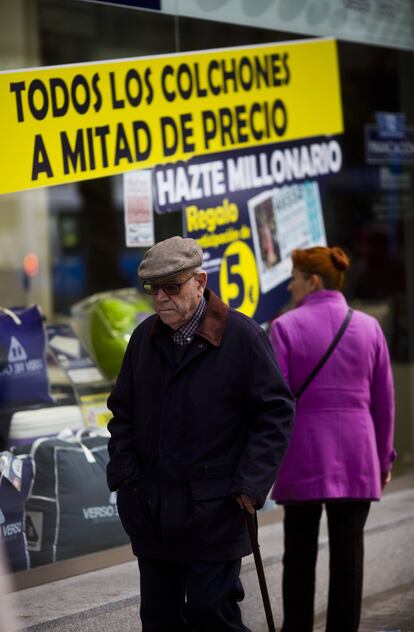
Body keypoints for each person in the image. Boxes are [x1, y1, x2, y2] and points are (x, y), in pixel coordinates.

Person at [106, 236, 295, 632]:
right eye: (152, 288)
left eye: (171, 286)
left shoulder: (241, 337)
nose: (160, 297)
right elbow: (122, 412)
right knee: (159, 620)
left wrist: (251, 484)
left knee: (214, 615)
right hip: (152, 508)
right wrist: (126, 476)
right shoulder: (144, 339)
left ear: (200, 282)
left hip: (215, 508)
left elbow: (275, 413)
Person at [269, 246, 396, 632]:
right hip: (357, 453)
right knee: (349, 556)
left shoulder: (285, 327)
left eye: (293, 278)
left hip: (303, 452)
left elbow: (276, 399)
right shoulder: (369, 326)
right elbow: (384, 400)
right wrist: (384, 458)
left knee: (300, 554)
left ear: (312, 281)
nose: (290, 286)